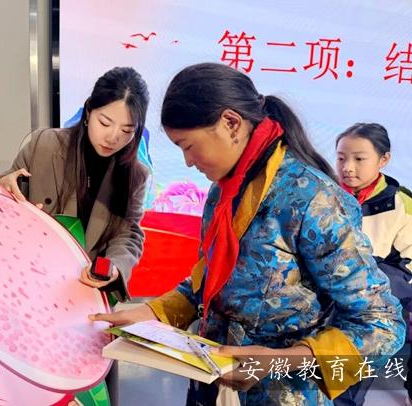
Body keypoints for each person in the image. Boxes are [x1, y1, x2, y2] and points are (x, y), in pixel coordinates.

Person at [90, 63, 405, 405]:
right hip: (212, 387)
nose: (188, 162)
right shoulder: (223, 192)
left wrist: (281, 360)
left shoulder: (313, 200)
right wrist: (152, 315)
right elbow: (209, 282)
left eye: (188, 146)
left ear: (231, 123)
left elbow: (382, 325)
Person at [0, 66, 150, 303]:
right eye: (105, 123)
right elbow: (6, 193)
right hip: (25, 279)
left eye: (126, 130)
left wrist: (114, 268)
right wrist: (2, 186)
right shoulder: (44, 145)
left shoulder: (136, 175)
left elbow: (129, 233)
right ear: (89, 111)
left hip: (80, 290)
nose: (113, 137)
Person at [333, 123, 412, 406]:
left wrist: (360, 275)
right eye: (341, 158)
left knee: (344, 387)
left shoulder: (402, 204)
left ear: (383, 159)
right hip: (322, 309)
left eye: (359, 159)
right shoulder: (322, 195)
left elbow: (407, 268)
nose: (348, 168)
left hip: (373, 312)